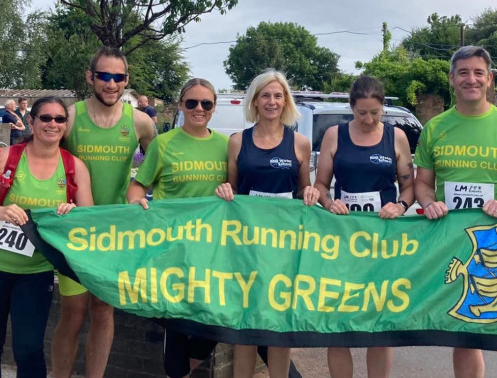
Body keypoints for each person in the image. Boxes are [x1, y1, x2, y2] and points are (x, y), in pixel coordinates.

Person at [0, 47, 157, 378]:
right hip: (73, 231)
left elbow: (157, 169)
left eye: (118, 77)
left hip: (114, 233)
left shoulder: (142, 122)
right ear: (91, 77)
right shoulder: (71, 116)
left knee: (104, 311)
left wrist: (141, 197)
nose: (111, 83)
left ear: (126, 81)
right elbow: (34, 145)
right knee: (73, 313)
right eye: (104, 75)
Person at [414, 45, 497, 378]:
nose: (471, 79)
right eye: (463, 72)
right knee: (465, 340)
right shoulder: (434, 129)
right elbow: (423, 183)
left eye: (478, 72)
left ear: (490, 78)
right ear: (452, 79)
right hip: (454, 246)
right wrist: (428, 202)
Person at [0, 96, 93, 378]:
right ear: (31, 122)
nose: (53, 124)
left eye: (59, 119)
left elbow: (88, 222)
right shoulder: (6, 157)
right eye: (45, 118)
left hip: (36, 272)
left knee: (30, 349)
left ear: (65, 126)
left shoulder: (74, 168)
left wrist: (73, 213)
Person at [214, 70, 320, 378]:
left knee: (278, 325)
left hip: (285, 248)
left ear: (285, 101)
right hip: (246, 245)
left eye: (278, 95)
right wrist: (225, 190)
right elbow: (232, 188)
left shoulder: (300, 143)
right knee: (246, 324)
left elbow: (303, 190)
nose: (272, 102)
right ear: (255, 101)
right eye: (265, 95)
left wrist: (310, 191)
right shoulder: (237, 142)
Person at [313, 75, 415, 378]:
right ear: (351, 108)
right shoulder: (334, 135)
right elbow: (320, 184)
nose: (369, 119)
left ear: (383, 108)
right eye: (361, 113)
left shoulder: (396, 137)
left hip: (383, 240)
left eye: (375, 113)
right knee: (339, 322)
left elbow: (409, 187)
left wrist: (400, 206)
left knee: (379, 323)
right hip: (343, 240)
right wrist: (329, 203)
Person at [128, 78, 228, 378]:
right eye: (192, 103)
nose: (199, 109)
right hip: (173, 251)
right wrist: (137, 207)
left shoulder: (226, 145)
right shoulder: (164, 143)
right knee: (177, 330)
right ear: (181, 105)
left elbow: (239, 192)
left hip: (213, 252)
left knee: (214, 324)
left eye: (206, 104)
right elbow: (138, 187)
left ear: (214, 107)